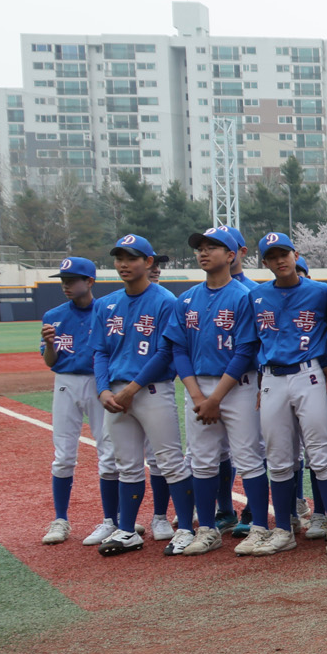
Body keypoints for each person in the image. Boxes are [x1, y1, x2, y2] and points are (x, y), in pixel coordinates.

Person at [92, 235, 196, 556]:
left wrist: (131, 389)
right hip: (116, 395)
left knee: (169, 462)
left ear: (148, 262)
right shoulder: (106, 304)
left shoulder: (166, 301)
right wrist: (103, 390)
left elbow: (165, 353)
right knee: (127, 466)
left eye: (132, 258)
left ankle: (187, 530)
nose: (124, 264)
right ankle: (127, 531)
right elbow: (99, 352)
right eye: (119, 258)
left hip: (151, 391)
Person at [250, 232, 327, 555]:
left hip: (309, 374)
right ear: (264, 262)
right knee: (278, 458)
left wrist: (326, 377)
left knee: (321, 454)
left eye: (284, 254)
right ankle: (284, 529)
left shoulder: (321, 292)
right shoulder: (257, 295)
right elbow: (254, 343)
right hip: (272, 377)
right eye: (272, 256)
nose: (279, 260)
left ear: (296, 254)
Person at [167, 227, 261, 557]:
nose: (203, 252)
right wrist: (196, 396)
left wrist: (215, 398)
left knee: (248, 458)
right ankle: (207, 528)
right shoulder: (187, 299)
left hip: (237, 386)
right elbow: (178, 349)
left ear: (232, 255)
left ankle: (260, 527)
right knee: (203, 461)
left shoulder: (245, 296)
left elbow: (246, 350)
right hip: (199, 387)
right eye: (200, 248)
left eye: (213, 247)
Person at [41, 257, 105, 545]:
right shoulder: (53, 315)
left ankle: (111, 519)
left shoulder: (106, 311)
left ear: (89, 281)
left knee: (109, 452)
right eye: (63, 280)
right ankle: (60, 519)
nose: (66, 284)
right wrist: (51, 345)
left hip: (98, 383)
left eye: (72, 279)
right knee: (64, 454)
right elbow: (50, 362)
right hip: (65, 382)